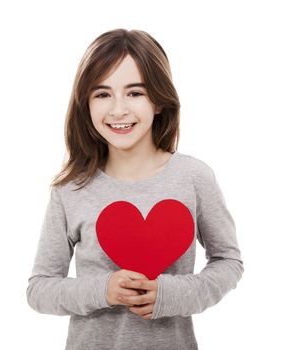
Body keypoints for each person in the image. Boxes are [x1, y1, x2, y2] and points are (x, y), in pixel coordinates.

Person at [26, 28, 244, 350]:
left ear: (158, 100)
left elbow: (228, 262)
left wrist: (171, 294)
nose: (118, 110)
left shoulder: (194, 177)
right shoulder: (70, 189)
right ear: (85, 104)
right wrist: (103, 290)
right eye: (102, 94)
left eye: (135, 93)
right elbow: (39, 290)